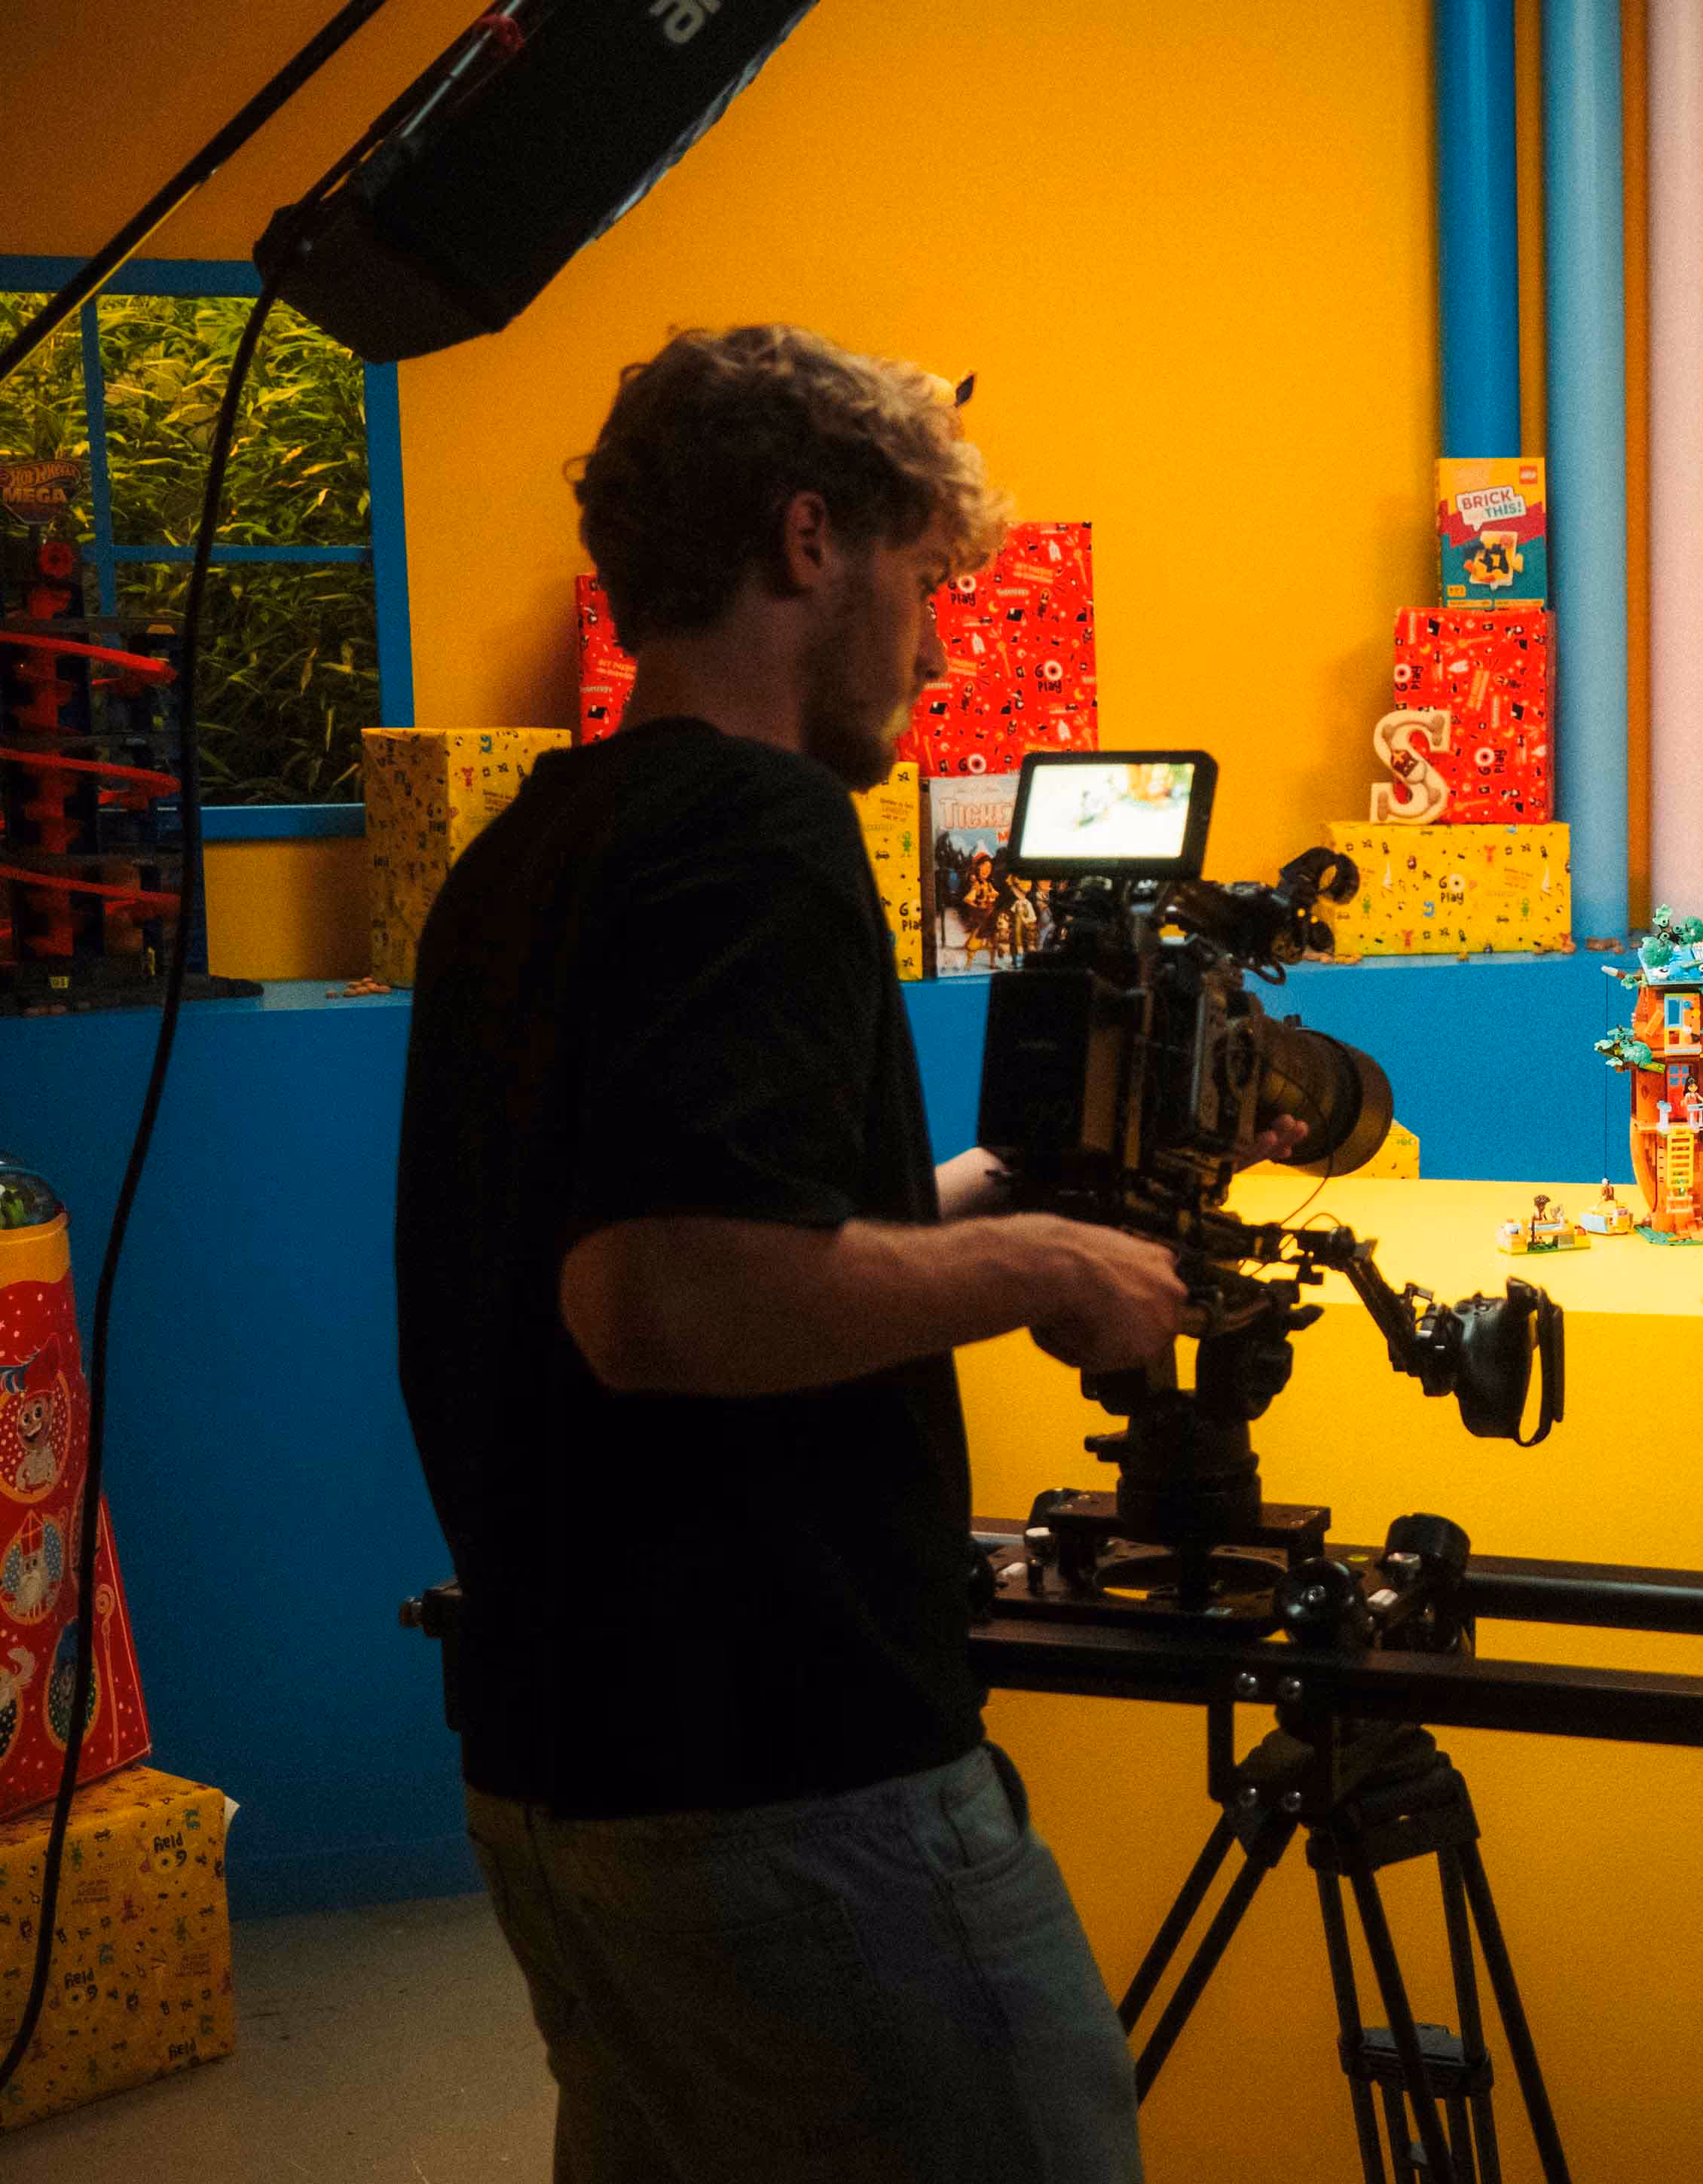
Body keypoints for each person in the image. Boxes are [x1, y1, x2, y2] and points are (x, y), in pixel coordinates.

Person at [395, 325, 1214, 2184]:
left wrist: (974, 1202)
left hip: (560, 1778)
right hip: (788, 1781)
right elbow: (664, 1296)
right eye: (927, 586)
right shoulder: (762, 830)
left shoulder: (544, 843)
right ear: (807, 540)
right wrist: (1054, 1281)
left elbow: (645, 1226)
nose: (934, 648)